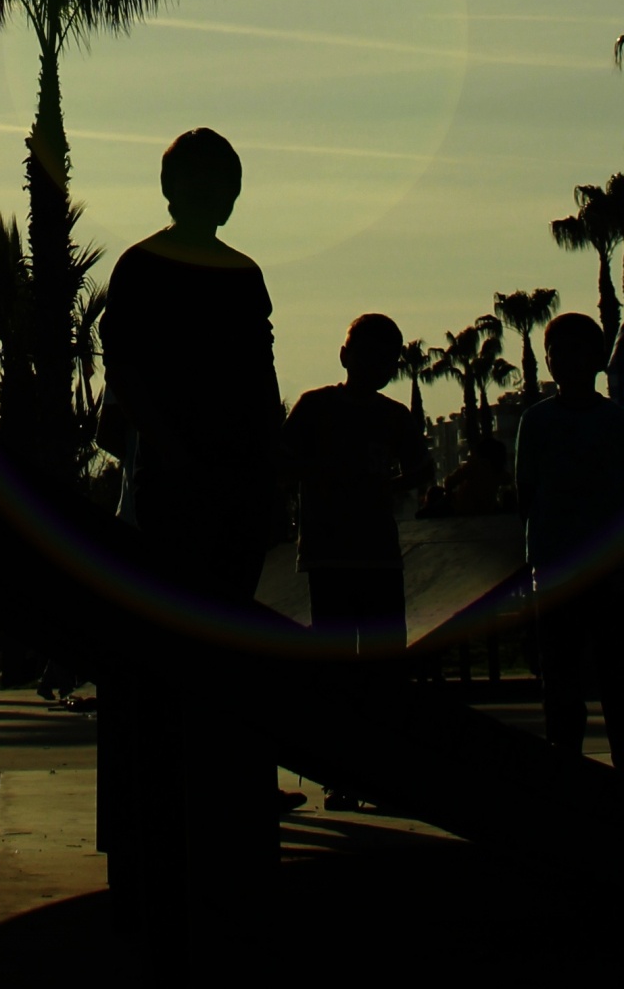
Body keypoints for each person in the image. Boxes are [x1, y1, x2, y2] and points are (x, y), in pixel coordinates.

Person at [97, 129, 282, 952]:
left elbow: (260, 380)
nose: (220, 198)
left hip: (226, 486)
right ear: (176, 191)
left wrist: (264, 475)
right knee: (171, 661)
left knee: (219, 652)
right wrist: (173, 454)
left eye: (226, 185)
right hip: (177, 490)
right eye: (210, 184)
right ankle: (163, 827)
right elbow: (128, 372)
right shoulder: (146, 268)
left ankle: (219, 817)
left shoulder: (240, 275)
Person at [281, 313, 430, 663]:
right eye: (368, 356)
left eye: (384, 359)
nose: (375, 366)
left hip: (374, 554)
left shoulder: (393, 416)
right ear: (346, 356)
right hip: (330, 554)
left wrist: (384, 488)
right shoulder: (315, 407)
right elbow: (282, 461)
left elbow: (422, 469)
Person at [514, 310, 624, 764]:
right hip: (554, 567)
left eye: (576, 350)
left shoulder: (615, 421)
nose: (564, 359)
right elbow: (526, 495)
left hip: (610, 571)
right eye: (556, 351)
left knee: (614, 672)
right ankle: (564, 765)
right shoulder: (537, 421)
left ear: (597, 358)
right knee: (560, 679)